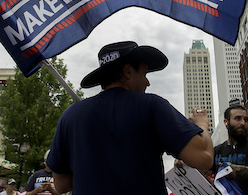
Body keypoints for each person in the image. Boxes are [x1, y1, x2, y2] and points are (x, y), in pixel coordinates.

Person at [46, 41, 214, 195]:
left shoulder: (70, 116)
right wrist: (202, 125)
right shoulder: (151, 106)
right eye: (144, 74)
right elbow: (204, 158)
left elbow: (61, 185)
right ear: (127, 72)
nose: (147, 82)